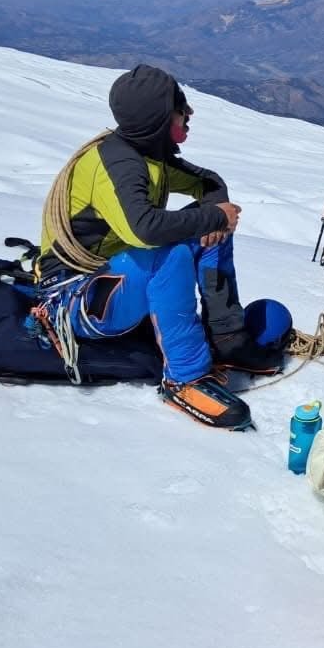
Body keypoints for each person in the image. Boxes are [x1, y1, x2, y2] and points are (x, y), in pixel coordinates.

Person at [36, 65, 281, 430]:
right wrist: (213, 218)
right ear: (159, 119)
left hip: (107, 281)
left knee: (206, 221)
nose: (190, 114)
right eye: (181, 106)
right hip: (73, 298)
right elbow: (145, 231)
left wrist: (214, 218)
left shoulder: (149, 156)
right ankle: (185, 379)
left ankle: (228, 338)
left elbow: (209, 183)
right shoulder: (117, 163)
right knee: (171, 254)